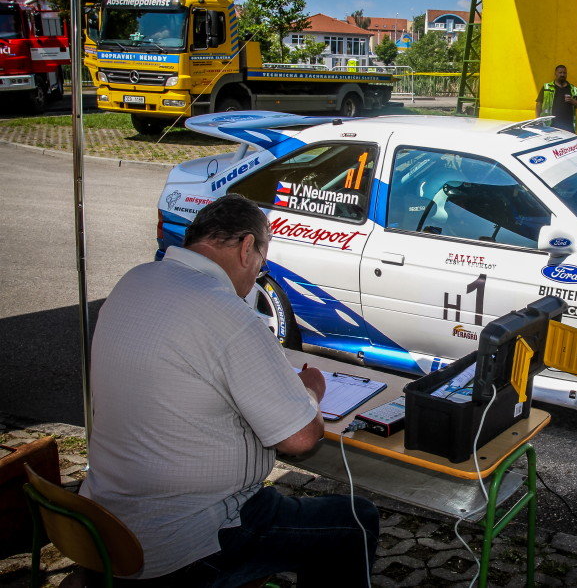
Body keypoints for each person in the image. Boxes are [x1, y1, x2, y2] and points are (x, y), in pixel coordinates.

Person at [80, 194, 378, 587]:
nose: (258, 273)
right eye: (262, 262)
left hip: (106, 518)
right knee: (356, 519)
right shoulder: (229, 313)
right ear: (246, 247)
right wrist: (309, 391)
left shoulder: (136, 279)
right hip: (191, 536)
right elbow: (301, 438)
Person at [535, 64, 577, 132]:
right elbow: (539, 104)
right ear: (555, 73)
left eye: (564, 73)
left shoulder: (573, 89)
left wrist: (573, 101)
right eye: (560, 72)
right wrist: (537, 120)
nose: (562, 75)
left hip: (568, 126)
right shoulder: (546, 87)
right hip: (550, 125)